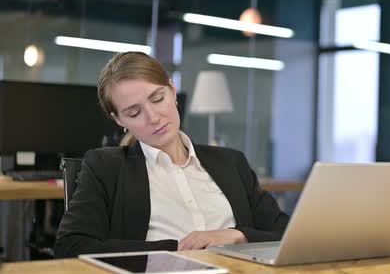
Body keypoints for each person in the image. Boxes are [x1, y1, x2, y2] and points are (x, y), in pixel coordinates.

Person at [55, 51, 289, 258]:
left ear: (172, 90)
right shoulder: (106, 167)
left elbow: (286, 233)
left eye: (158, 99)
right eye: (134, 112)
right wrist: (175, 249)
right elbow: (71, 247)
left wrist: (237, 236)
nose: (153, 117)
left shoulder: (231, 162)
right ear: (119, 120)